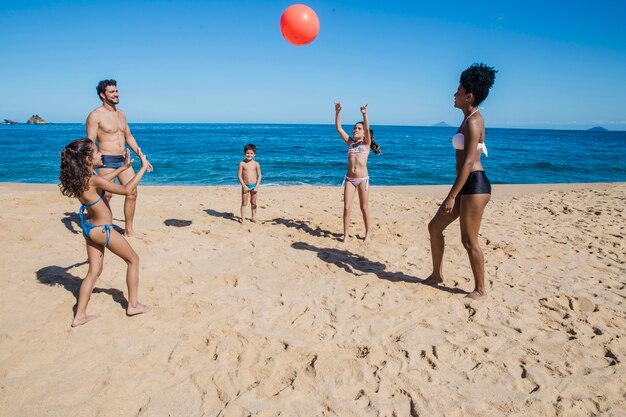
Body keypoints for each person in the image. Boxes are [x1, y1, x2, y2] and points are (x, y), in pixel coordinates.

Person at [59, 138, 152, 326]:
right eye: (96, 152)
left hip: (89, 228)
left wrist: (123, 168)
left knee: (94, 271)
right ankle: (133, 305)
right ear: (87, 159)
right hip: (103, 230)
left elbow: (103, 182)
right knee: (133, 260)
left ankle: (80, 316)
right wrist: (142, 167)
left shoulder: (82, 178)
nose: (100, 154)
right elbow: (126, 190)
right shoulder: (92, 178)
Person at [425, 63, 497, 300]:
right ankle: (437, 274)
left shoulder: (475, 121)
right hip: (466, 183)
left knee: (469, 240)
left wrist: (451, 196)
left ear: (469, 96)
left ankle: (480, 289)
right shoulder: (467, 119)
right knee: (435, 227)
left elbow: (468, 162)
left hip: (475, 184)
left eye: (458, 91)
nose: (454, 94)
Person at [86, 79, 153, 237]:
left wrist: (141, 156)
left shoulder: (121, 114)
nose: (116, 94)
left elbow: (129, 137)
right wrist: (90, 165)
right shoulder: (95, 115)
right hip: (106, 160)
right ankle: (99, 220)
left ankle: (128, 230)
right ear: (103, 95)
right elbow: (90, 142)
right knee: (106, 195)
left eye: (116, 91)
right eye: (112, 92)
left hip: (123, 159)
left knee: (132, 192)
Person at [335, 102, 377, 242]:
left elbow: (367, 126)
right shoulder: (350, 143)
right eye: (354, 128)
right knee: (347, 208)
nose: (355, 130)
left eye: (359, 128)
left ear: (364, 132)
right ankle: (346, 235)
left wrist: (364, 114)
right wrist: (337, 112)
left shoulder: (366, 144)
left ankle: (368, 233)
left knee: (364, 208)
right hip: (349, 180)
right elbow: (339, 128)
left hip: (363, 180)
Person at [237, 144, 262, 223]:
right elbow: (239, 176)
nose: (249, 155)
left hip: (254, 186)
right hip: (245, 186)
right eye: (247, 153)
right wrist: (244, 186)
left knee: (253, 202)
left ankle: (254, 217)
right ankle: (243, 218)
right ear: (244, 153)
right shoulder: (242, 163)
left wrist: (257, 186)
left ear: (254, 154)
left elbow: (260, 176)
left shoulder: (256, 164)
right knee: (244, 202)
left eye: (251, 153)